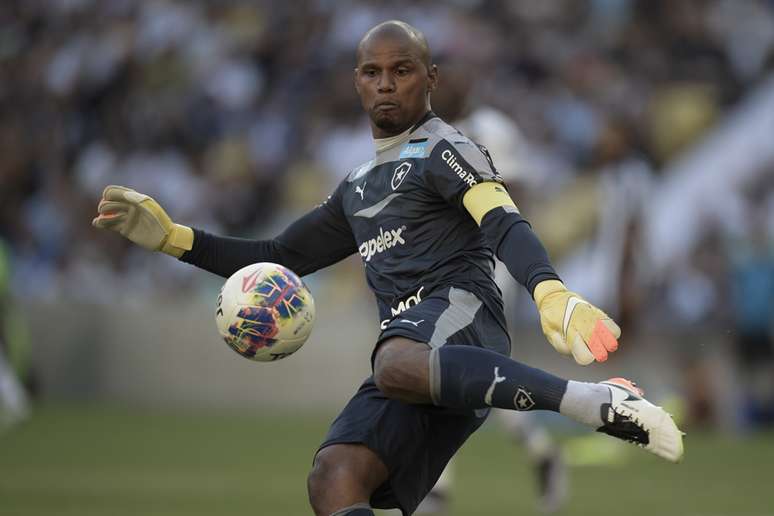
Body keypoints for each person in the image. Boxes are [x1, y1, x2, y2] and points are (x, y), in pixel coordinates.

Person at [92, 21, 683, 516]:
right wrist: (174, 240)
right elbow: (277, 258)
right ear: (356, 82)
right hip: (416, 357)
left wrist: (550, 291)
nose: (386, 84)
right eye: (372, 73)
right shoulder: (354, 187)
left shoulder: (445, 149)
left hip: (460, 317)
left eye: (401, 70)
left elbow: (503, 219)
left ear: (430, 79)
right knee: (334, 476)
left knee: (393, 361)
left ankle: (592, 402)